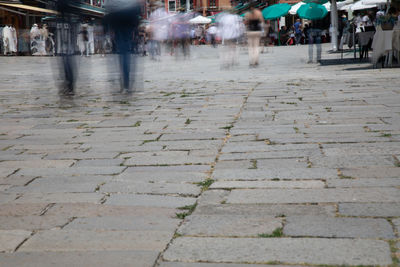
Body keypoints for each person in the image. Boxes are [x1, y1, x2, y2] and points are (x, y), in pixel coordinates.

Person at [104, 0, 142, 93]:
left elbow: (108, 5)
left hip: (117, 16)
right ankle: (127, 82)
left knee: (122, 50)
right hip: (129, 15)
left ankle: (124, 82)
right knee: (126, 51)